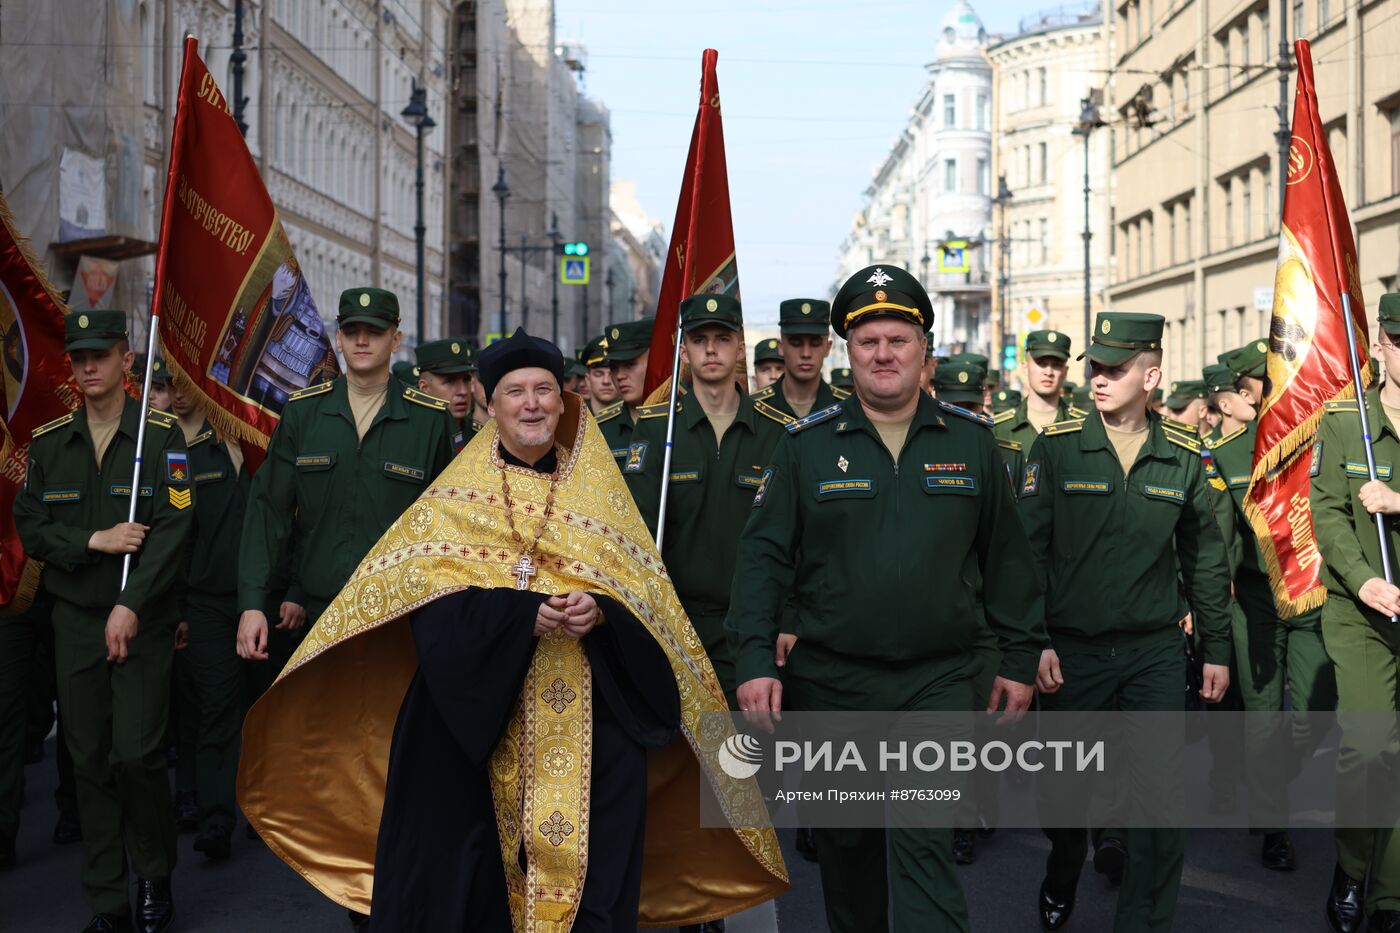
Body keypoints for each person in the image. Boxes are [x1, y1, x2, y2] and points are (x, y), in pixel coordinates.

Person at [236, 327, 788, 931]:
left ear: (563, 400)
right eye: (515, 391)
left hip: (594, 722)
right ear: (487, 400)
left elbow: (648, 602)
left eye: (544, 390)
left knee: (595, 889)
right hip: (471, 725)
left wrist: (602, 611)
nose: (532, 403)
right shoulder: (453, 498)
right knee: (471, 891)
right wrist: (518, 615)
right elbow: (424, 603)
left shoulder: (601, 496)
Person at [728, 265, 1045, 932]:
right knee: (848, 856)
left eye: (897, 339)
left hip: (939, 682)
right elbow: (761, 559)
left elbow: (1009, 561)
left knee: (924, 844)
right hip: (834, 684)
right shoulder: (806, 447)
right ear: (849, 352)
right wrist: (755, 657)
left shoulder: (971, 442)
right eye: (868, 340)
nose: (883, 353)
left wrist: (1018, 659)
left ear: (923, 350)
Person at [1020, 311, 1232, 933]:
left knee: (1161, 804)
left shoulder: (1184, 456)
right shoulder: (1055, 449)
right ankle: (1062, 866)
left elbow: (1206, 561)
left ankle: (1142, 921)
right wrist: (1031, 642)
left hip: (1154, 653)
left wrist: (1216, 648)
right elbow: (1026, 556)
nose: (1100, 379)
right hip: (1072, 652)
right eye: (1097, 368)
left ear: (1152, 376)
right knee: (1063, 797)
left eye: (1116, 369)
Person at [13, 309, 195, 933]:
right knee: (87, 758)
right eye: (79, 357)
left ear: (125, 359)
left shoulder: (162, 438)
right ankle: (107, 900)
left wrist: (132, 602)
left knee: (137, 755)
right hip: (75, 621)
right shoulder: (49, 443)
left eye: (101, 354)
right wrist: (92, 539)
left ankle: (153, 873)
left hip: (140, 620)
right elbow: (32, 524)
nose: (88, 366)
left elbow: (175, 527)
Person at [236, 287, 456, 666]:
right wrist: (253, 604)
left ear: (396, 339)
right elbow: (268, 510)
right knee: (320, 724)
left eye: (375, 331)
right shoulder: (304, 413)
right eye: (352, 330)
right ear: (338, 338)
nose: (362, 340)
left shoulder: (429, 419)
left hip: (398, 616)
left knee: (391, 725)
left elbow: (445, 526)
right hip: (320, 615)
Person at [1206, 340, 1335, 873]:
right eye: (1266, 379)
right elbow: (1217, 541)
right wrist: (1209, 607)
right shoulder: (1228, 454)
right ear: (1246, 391)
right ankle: (1273, 826)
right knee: (1261, 717)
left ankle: (1272, 779)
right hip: (1255, 602)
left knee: (1313, 716)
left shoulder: (1315, 437)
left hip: (1312, 598)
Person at [623, 295, 787, 703]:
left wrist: (790, 617)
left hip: (754, 627)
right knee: (682, 758)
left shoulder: (778, 432)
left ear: (740, 347)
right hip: (677, 622)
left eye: (722, 338)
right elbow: (636, 527)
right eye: (699, 339)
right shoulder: (658, 428)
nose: (711, 349)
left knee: (746, 755)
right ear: (684, 350)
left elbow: (795, 536)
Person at [1309, 295, 1400, 933]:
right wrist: (1365, 579)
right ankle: (1351, 862)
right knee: (1368, 749)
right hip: (1362, 613)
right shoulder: (1348, 422)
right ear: (1381, 347)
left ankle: (1388, 895)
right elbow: (1327, 513)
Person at [168, 378, 253, 862]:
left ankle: (266, 811)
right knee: (217, 706)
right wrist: (180, 609)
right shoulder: (190, 454)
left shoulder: (271, 448)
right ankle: (216, 816)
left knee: (266, 708)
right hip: (210, 604)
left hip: (269, 601)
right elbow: (180, 536)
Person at [753, 298, 849, 421]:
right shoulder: (753, 409)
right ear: (781, 347)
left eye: (815, 343)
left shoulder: (848, 409)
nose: (806, 354)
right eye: (796, 343)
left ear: (828, 348)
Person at [995, 331, 1072, 451]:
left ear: (1065, 371)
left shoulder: (1082, 425)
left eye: (1056, 365)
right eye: (1041, 364)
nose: (1048, 372)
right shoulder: (1000, 428)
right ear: (1025, 367)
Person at [596, 318, 653, 464]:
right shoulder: (601, 429)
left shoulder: (678, 421)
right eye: (614, 368)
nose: (620, 376)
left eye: (630, 365)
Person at [415, 337, 476, 448]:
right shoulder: (413, 437)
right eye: (450, 381)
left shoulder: (480, 437)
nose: (463, 391)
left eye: (466, 380)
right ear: (425, 389)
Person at [580, 333, 618, 416]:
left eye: (611, 374)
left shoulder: (636, 422)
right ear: (588, 379)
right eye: (598, 374)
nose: (606, 381)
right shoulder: (575, 422)